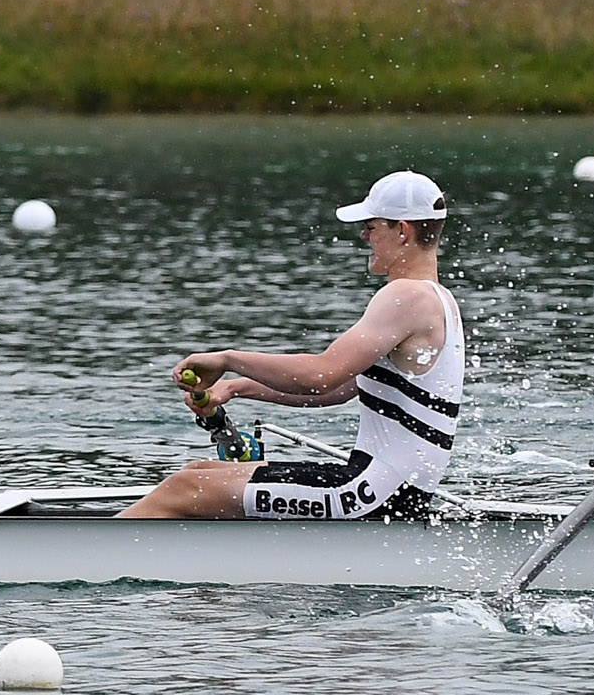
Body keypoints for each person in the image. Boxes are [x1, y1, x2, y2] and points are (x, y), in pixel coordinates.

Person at [120, 171, 464, 520]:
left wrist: (227, 359)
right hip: (391, 491)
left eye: (372, 227)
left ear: (402, 231)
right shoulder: (440, 300)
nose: (363, 236)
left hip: (371, 494)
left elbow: (320, 375)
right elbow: (343, 388)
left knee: (182, 489)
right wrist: (237, 388)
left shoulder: (405, 296)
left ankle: (82, 560)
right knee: (199, 473)